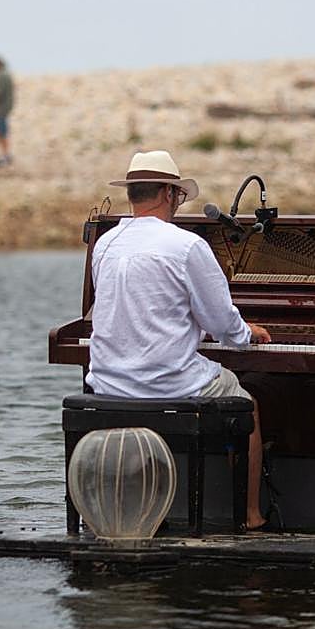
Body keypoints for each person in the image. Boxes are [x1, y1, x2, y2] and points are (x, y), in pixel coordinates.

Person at [85, 150, 273, 530]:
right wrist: (247, 332)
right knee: (245, 404)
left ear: (133, 194)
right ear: (169, 194)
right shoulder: (186, 246)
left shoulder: (105, 243)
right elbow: (225, 326)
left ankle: (133, 514)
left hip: (107, 382)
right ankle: (250, 517)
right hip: (166, 383)